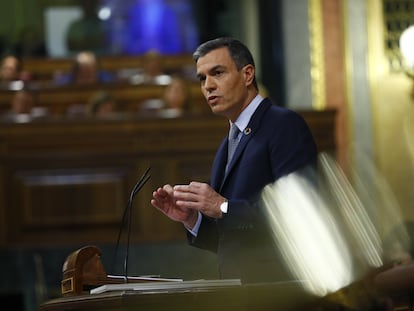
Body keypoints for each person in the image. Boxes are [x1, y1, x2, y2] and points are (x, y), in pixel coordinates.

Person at [150, 37, 318, 283]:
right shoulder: (229, 143)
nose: (208, 85)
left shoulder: (283, 125)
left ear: (247, 75)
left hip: (281, 290)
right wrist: (192, 219)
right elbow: (231, 239)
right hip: (240, 295)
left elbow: (299, 213)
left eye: (217, 73)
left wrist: (222, 206)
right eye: (202, 78)